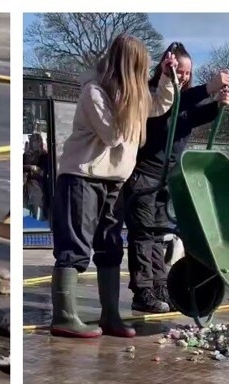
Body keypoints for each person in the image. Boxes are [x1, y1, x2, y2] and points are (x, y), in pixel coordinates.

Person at [49, 34, 182, 339]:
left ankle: (110, 315)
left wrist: (165, 76)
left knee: (109, 247)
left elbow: (160, 104)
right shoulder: (93, 92)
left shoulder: (133, 96)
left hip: (116, 181)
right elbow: (113, 135)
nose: (142, 74)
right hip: (83, 176)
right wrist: (132, 99)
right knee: (75, 245)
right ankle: (64, 316)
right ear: (129, 65)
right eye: (142, 67)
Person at [122, 42, 229, 314]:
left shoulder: (182, 100)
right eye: (179, 71)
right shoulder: (152, 95)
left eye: (187, 73)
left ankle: (161, 286)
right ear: (166, 67)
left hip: (166, 177)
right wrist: (208, 89)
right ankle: (142, 290)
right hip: (144, 175)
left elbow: (189, 116)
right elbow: (171, 106)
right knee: (143, 234)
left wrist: (218, 105)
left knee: (159, 235)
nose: (183, 76)